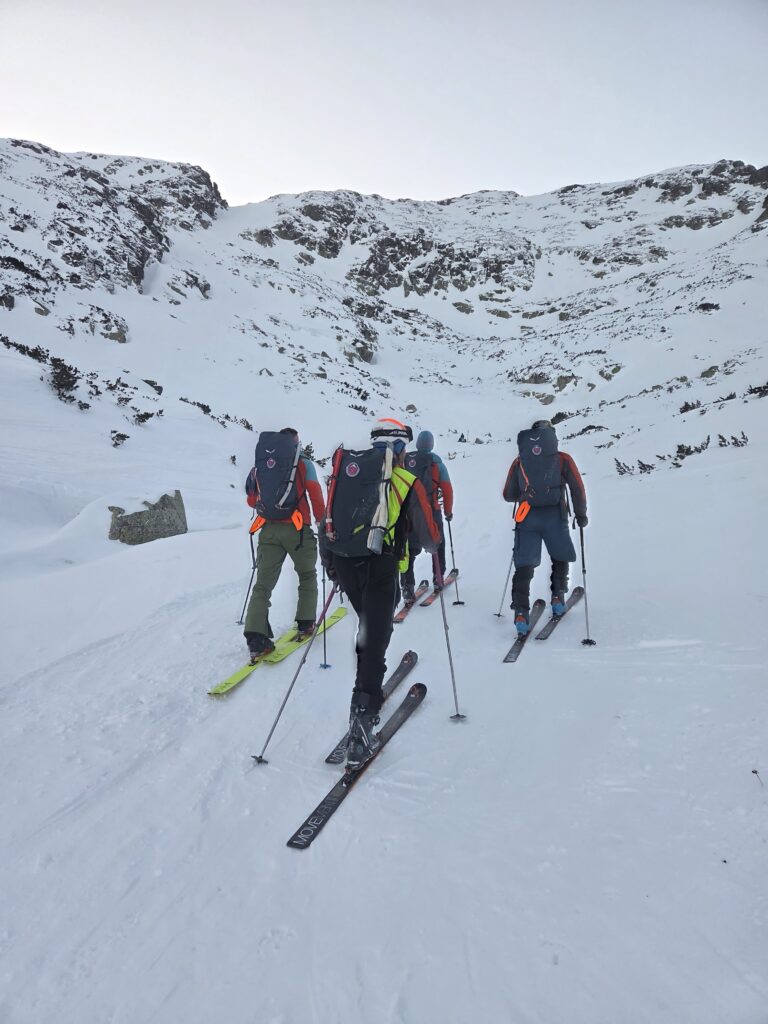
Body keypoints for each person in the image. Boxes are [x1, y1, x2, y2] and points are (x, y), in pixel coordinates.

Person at [320, 418, 440, 768]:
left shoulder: (344, 474)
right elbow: (431, 537)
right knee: (374, 640)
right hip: (380, 567)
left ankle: (367, 687)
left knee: (369, 633)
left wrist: (332, 566)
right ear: (400, 448)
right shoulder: (406, 480)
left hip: (345, 565)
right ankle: (362, 721)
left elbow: (324, 523)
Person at [242, 427, 326, 662]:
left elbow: (251, 500)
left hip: (268, 529)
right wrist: (323, 522)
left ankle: (256, 638)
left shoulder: (261, 465)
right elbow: (315, 494)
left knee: (263, 585)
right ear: (295, 442)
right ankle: (305, 623)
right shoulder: (304, 464)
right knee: (307, 575)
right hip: (298, 530)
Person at [503, 419, 588, 635]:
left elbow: (508, 494)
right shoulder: (562, 459)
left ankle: (521, 612)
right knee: (559, 555)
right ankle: (558, 597)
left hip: (527, 517)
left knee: (524, 565)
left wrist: (526, 494)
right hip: (555, 515)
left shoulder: (519, 461)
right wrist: (581, 514)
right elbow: (577, 488)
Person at [400, 430, 454, 602]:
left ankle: (407, 588)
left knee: (409, 550)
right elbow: (447, 489)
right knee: (438, 543)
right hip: (431, 510)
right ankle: (438, 578)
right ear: (431, 445)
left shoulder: (406, 460)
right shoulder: (436, 462)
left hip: (409, 513)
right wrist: (448, 511)